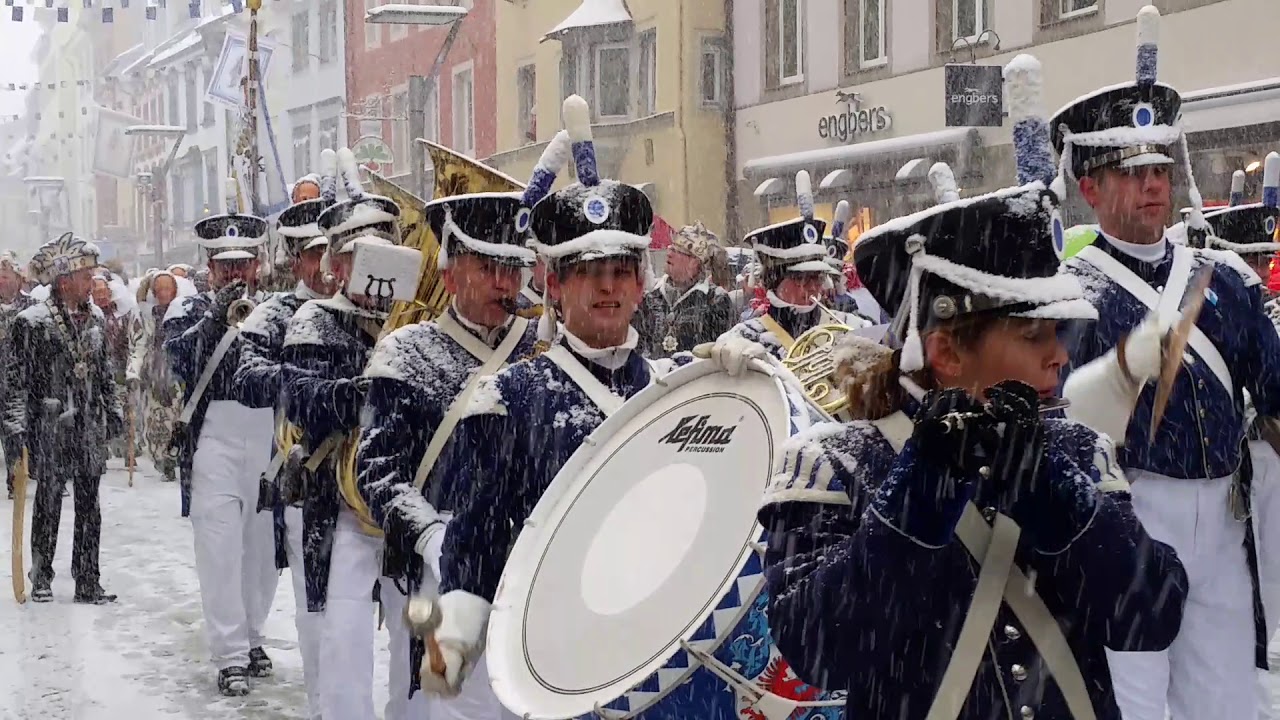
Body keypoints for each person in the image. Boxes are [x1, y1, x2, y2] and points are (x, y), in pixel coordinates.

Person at [760, 54, 1187, 720]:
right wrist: (918, 501)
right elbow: (818, 647)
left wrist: (1057, 498)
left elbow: (1152, 615)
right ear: (946, 351)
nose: (1059, 360)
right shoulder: (834, 463)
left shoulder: (1073, 450)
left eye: (1062, 336)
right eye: (1034, 337)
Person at [419, 96, 754, 696]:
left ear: (641, 282)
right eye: (587, 272)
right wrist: (459, 628)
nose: (607, 287)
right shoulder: (511, 398)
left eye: (621, 270)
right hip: (568, 655)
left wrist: (738, 398)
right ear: (554, 284)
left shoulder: (671, 388)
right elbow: (481, 535)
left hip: (669, 655)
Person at [1053, 10, 1280, 719]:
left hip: (1222, 512)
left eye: (1159, 167)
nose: (1153, 185)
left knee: (1226, 703)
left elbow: (1273, 402)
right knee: (1134, 700)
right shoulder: (1069, 296)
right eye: (1131, 172)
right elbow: (1060, 431)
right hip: (1128, 513)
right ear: (1090, 187)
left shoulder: (1228, 280)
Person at [356, 133, 565, 718]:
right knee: (440, 707)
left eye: (514, 268)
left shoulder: (543, 350)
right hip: (431, 575)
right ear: (449, 275)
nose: (506, 284)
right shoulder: (404, 353)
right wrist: (430, 535)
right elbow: (376, 472)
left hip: (523, 568)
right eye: (490, 268)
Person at [280, 148, 418, 720]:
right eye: (360, 252)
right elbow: (303, 399)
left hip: (404, 499)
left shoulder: (414, 321)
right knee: (342, 636)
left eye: (383, 247)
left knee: (417, 631)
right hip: (337, 503)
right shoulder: (315, 321)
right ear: (337, 264)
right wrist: (369, 388)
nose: (371, 264)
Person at [231, 161, 337, 720]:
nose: (329, 265)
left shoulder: (369, 311)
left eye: (336, 249)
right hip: (310, 477)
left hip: (372, 483)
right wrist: (310, 388)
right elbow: (246, 377)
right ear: (297, 259)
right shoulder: (277, 312)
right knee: (316, 605)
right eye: (317, 253)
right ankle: (325, 706)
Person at [163, 202, 279, 696]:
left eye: (243, 263)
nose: (235, 272)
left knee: (262, 552)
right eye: (225, 264)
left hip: (266, 435)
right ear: (209, 267)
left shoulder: (274, 308)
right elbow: (178, 360)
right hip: (214, 436)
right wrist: (216, 315)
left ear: (257, 264)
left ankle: (253, 635)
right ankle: (229, 653)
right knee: (219, 550)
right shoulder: (188, 309)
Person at [3, 233, 123, 603]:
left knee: (90, 505)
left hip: (87, 422)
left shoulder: (96, 318)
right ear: (64, 279)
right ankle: (41, 574)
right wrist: (17, 428)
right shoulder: (32, 322)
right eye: (86, 276)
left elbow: (104, 371)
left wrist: (113, 409)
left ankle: (88, 579)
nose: (92, 284)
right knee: (49, 500)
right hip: (50, 423)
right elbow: (16, 381)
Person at [723, 171, 871, 358]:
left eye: (817, 277)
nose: (812, 287)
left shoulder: (852, 328)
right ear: (775, 281)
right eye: (800, 278)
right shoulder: (745, 339)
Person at [127, 269, 197, 482]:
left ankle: (180, 454)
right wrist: (133, 371)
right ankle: (163, 459)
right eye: (160, 289)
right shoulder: (145, 315)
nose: (164, 293)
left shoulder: (186, 312)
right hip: (155, 373)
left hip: (179, 373)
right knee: (157, 420)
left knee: (180, 417)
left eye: (168, 288)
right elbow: (137, 345)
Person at [634, 220, 736, 358]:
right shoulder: (649, 299)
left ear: (695, 262)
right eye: (671, 248)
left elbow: (722, 352)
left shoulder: (715, 301)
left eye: (678, 251)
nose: (669, 253)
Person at [1, 251, 35, 498]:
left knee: (16, 432)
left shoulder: (31, 307)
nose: (2, 279)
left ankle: (16, 477)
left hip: (21, 380)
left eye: (6, 274)